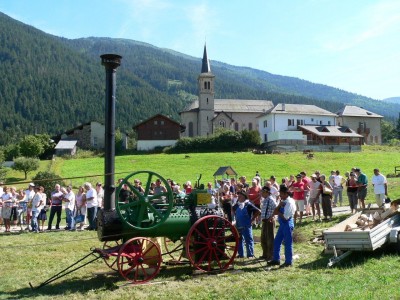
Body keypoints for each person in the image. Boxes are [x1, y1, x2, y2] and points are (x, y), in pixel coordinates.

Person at [267, 184, 296, 268]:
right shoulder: (282, 202)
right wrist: (279, 206)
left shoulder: (289, 203)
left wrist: (278, 212)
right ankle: (276, 259)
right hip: (282, 225)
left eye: (281, 194)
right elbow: (275, 211)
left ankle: (288, 261)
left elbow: (285, 217)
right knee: (276, 242)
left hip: (287, 224)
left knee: (288, 243)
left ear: (285, 194)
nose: (280, 195)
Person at [232, 191, 260, 258]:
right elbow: (232, 209)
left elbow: (258, 211)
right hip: (238, 224)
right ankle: (241, 254)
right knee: (239, 239)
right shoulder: (237, 204)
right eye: (238, 196)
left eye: (240, 196)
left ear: (244, 197)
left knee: (248, 239)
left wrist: (252, 219)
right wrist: (234, 218)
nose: (239, 197)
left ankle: (250, 254)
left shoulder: (248, 204)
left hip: (246, 225)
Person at [259, 186, 276, 261]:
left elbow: (276, 209)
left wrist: (272, 217)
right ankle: (265, 254)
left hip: (269, 221)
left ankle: (270, 255)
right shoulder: (265, 200)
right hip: (264, 221)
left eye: (262, 192)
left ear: (266, 192)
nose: (261, 193)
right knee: (263, 238)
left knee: (270, 239)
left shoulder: (271, 200)